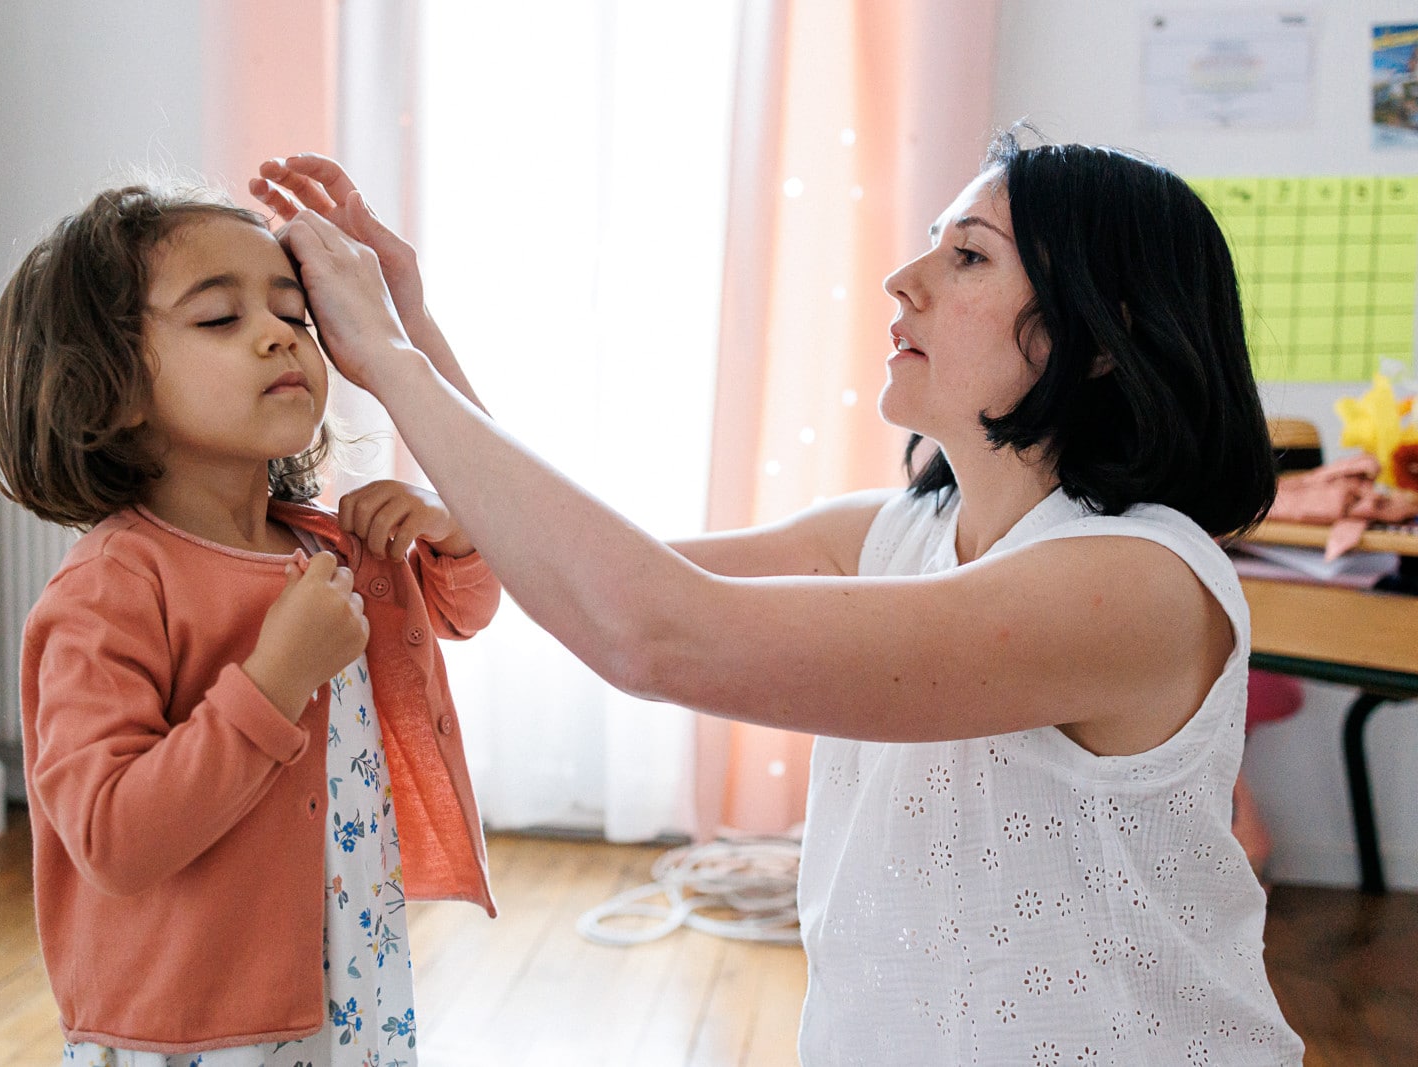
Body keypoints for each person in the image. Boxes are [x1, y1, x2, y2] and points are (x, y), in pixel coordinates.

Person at [253, 129, 1306, 1064]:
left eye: (968, 254)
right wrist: (416, 324)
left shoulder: (1136, 580)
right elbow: (585, 566)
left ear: (1103, 339)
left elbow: (652, 629)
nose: (903, 277)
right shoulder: (890, 533)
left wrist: (388, 360)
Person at [0, 181, 500, 1064]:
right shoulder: (111, 587)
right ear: (109, 391)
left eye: (294, 311)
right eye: (218, 318)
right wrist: (273, 680)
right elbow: (110, 835)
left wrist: (454, 530)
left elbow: (462, 610)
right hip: (196, 1019)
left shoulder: (331, 541)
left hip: (349, 974)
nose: (277, 333)